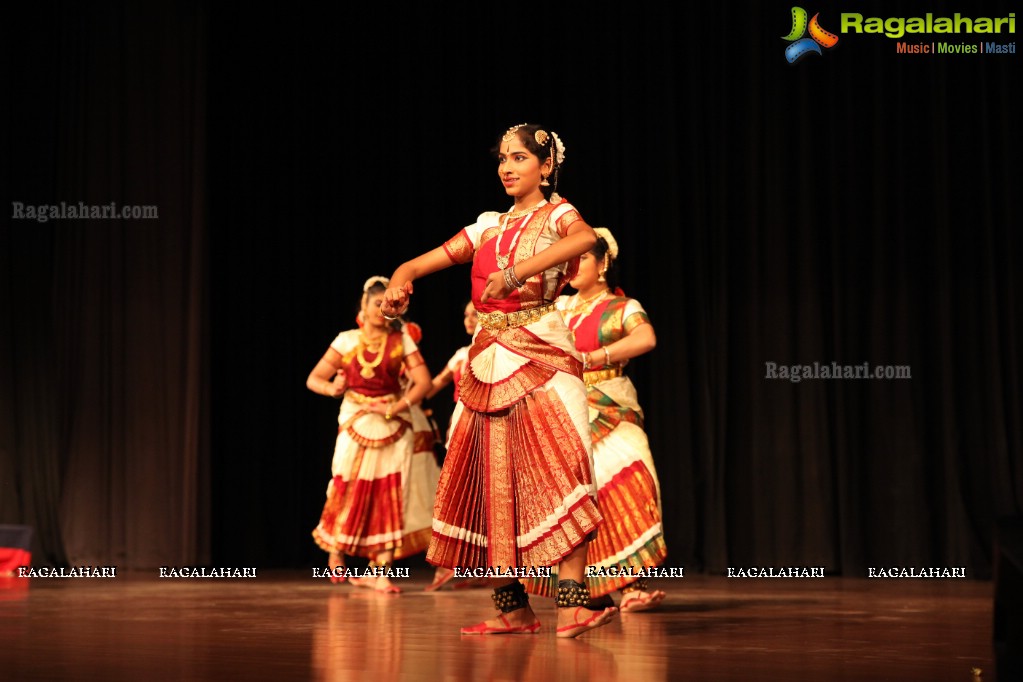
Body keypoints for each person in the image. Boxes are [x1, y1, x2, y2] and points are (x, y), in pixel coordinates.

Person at [380, 123, 616, 637]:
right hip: (488, 358)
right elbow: (419, 263)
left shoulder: (557, 213)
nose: (507, 167)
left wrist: (516, 272)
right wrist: (401, 283)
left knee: (565, 468)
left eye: (519, 158)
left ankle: (573, 603)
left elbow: (585, 239)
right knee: (489, 479)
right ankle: (512, 607)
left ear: (546, 166)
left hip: (544, 348)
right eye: (502, 159)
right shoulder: (486, 225)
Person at [557, 227, 667, 612]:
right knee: (577, 501)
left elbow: (646, 339)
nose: (573, 265)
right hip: (567, 410)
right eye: (569, 258)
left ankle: (631, 583)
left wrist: (594, 358)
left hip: (611, 405)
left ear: (603, 263)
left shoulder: (623, 307)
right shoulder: (557, 309)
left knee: (632, 484)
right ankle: (594, 588)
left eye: (583, 257)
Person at [307, 276, 434, 593]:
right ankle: (336, 553)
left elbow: (423, 383)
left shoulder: (402, 341)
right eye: (375, 303)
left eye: (386, 304)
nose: (380, 309)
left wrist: (395, 408)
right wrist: (332, 388)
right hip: (356, 418)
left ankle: (381, 570)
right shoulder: (346, 340)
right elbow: (314, 379)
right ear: (362, 308)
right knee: (346, 482)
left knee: (390, 492)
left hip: (392, 421)